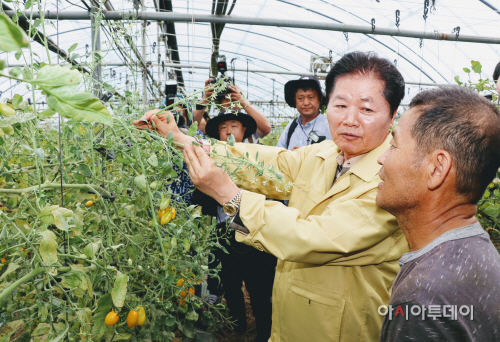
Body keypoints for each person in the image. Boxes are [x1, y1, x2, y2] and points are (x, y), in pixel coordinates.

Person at [134, 51, 409, 342]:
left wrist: (230, 195)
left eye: (367, 110)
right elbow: (261, 162)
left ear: (392, 116)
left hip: (341, 331)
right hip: (292, 322)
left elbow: (312, 238)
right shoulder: (324, 153)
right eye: (340, 105)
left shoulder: (393, 179)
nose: (350, 120)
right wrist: (181, 139)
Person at [376, 86, 500, 341]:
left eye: (393, 144)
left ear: (436, 169)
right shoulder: (476, 251)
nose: (381, 159)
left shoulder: (422, 299)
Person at [197, 109, 277, 342]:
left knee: (260, 286)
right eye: (223, 128)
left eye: (234, 126)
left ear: (243, 131)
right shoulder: (210, 161)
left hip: (254, 229)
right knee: (230, 284)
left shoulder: (256, 159)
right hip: (224, 232)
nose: (229, 131)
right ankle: (239, 326)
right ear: (218, 134)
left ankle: (264, 332)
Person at [193, 78, 271, 143]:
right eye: (225, 99)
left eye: (233, 98)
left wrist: (244, 103)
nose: (229, 102)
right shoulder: (215, 124)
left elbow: (266, 128)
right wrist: (205, 98)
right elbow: (192, 128)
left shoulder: (249, 125)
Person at [277, 75, 332, 150]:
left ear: (320, 98)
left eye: (311, 97)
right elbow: (278, 153)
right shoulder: (291, 127)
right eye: (301, 98)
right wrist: (289, 154)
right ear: (295, 100)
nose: (306, 103)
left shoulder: (329, 126)